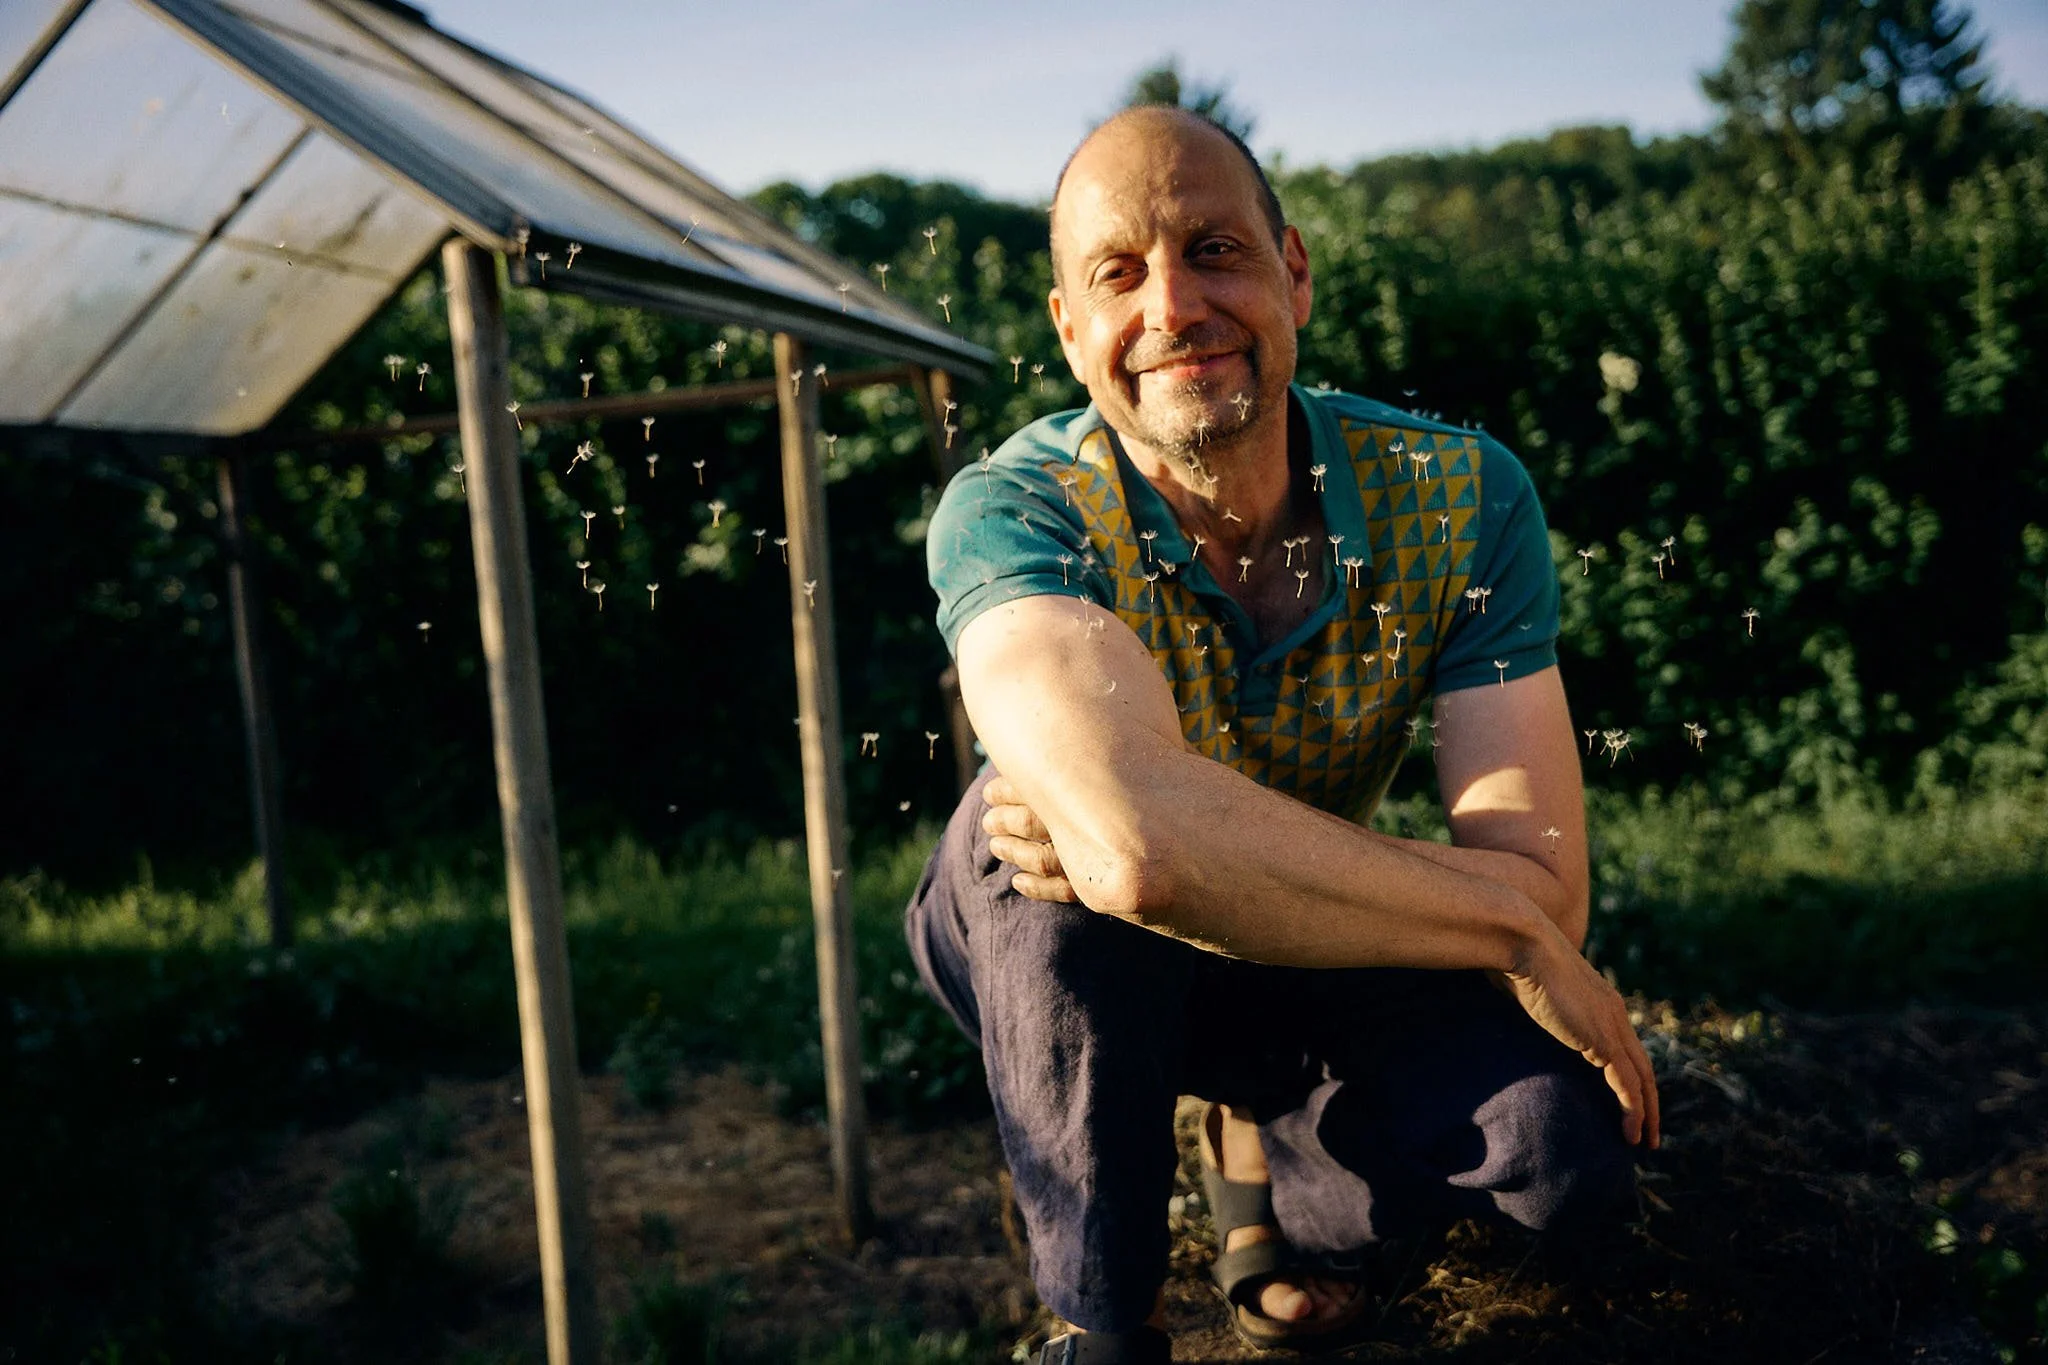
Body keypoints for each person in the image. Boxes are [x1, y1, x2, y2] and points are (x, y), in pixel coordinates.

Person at [904, 105, 1661, 1365]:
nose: (1171, 306)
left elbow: (1541, 877)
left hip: (1309, 940)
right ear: (1065, 328)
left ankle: (1261, 1153)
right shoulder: (1015, 508)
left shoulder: (1467, 497)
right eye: (1116, 273)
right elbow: (1132, 852)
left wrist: (1523, 913)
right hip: (1054, 942)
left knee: (1558, 1159)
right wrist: (1506, 924)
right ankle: (1105, 1318)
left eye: (1213, 249)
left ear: (1291, 272)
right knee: (1036, 850)